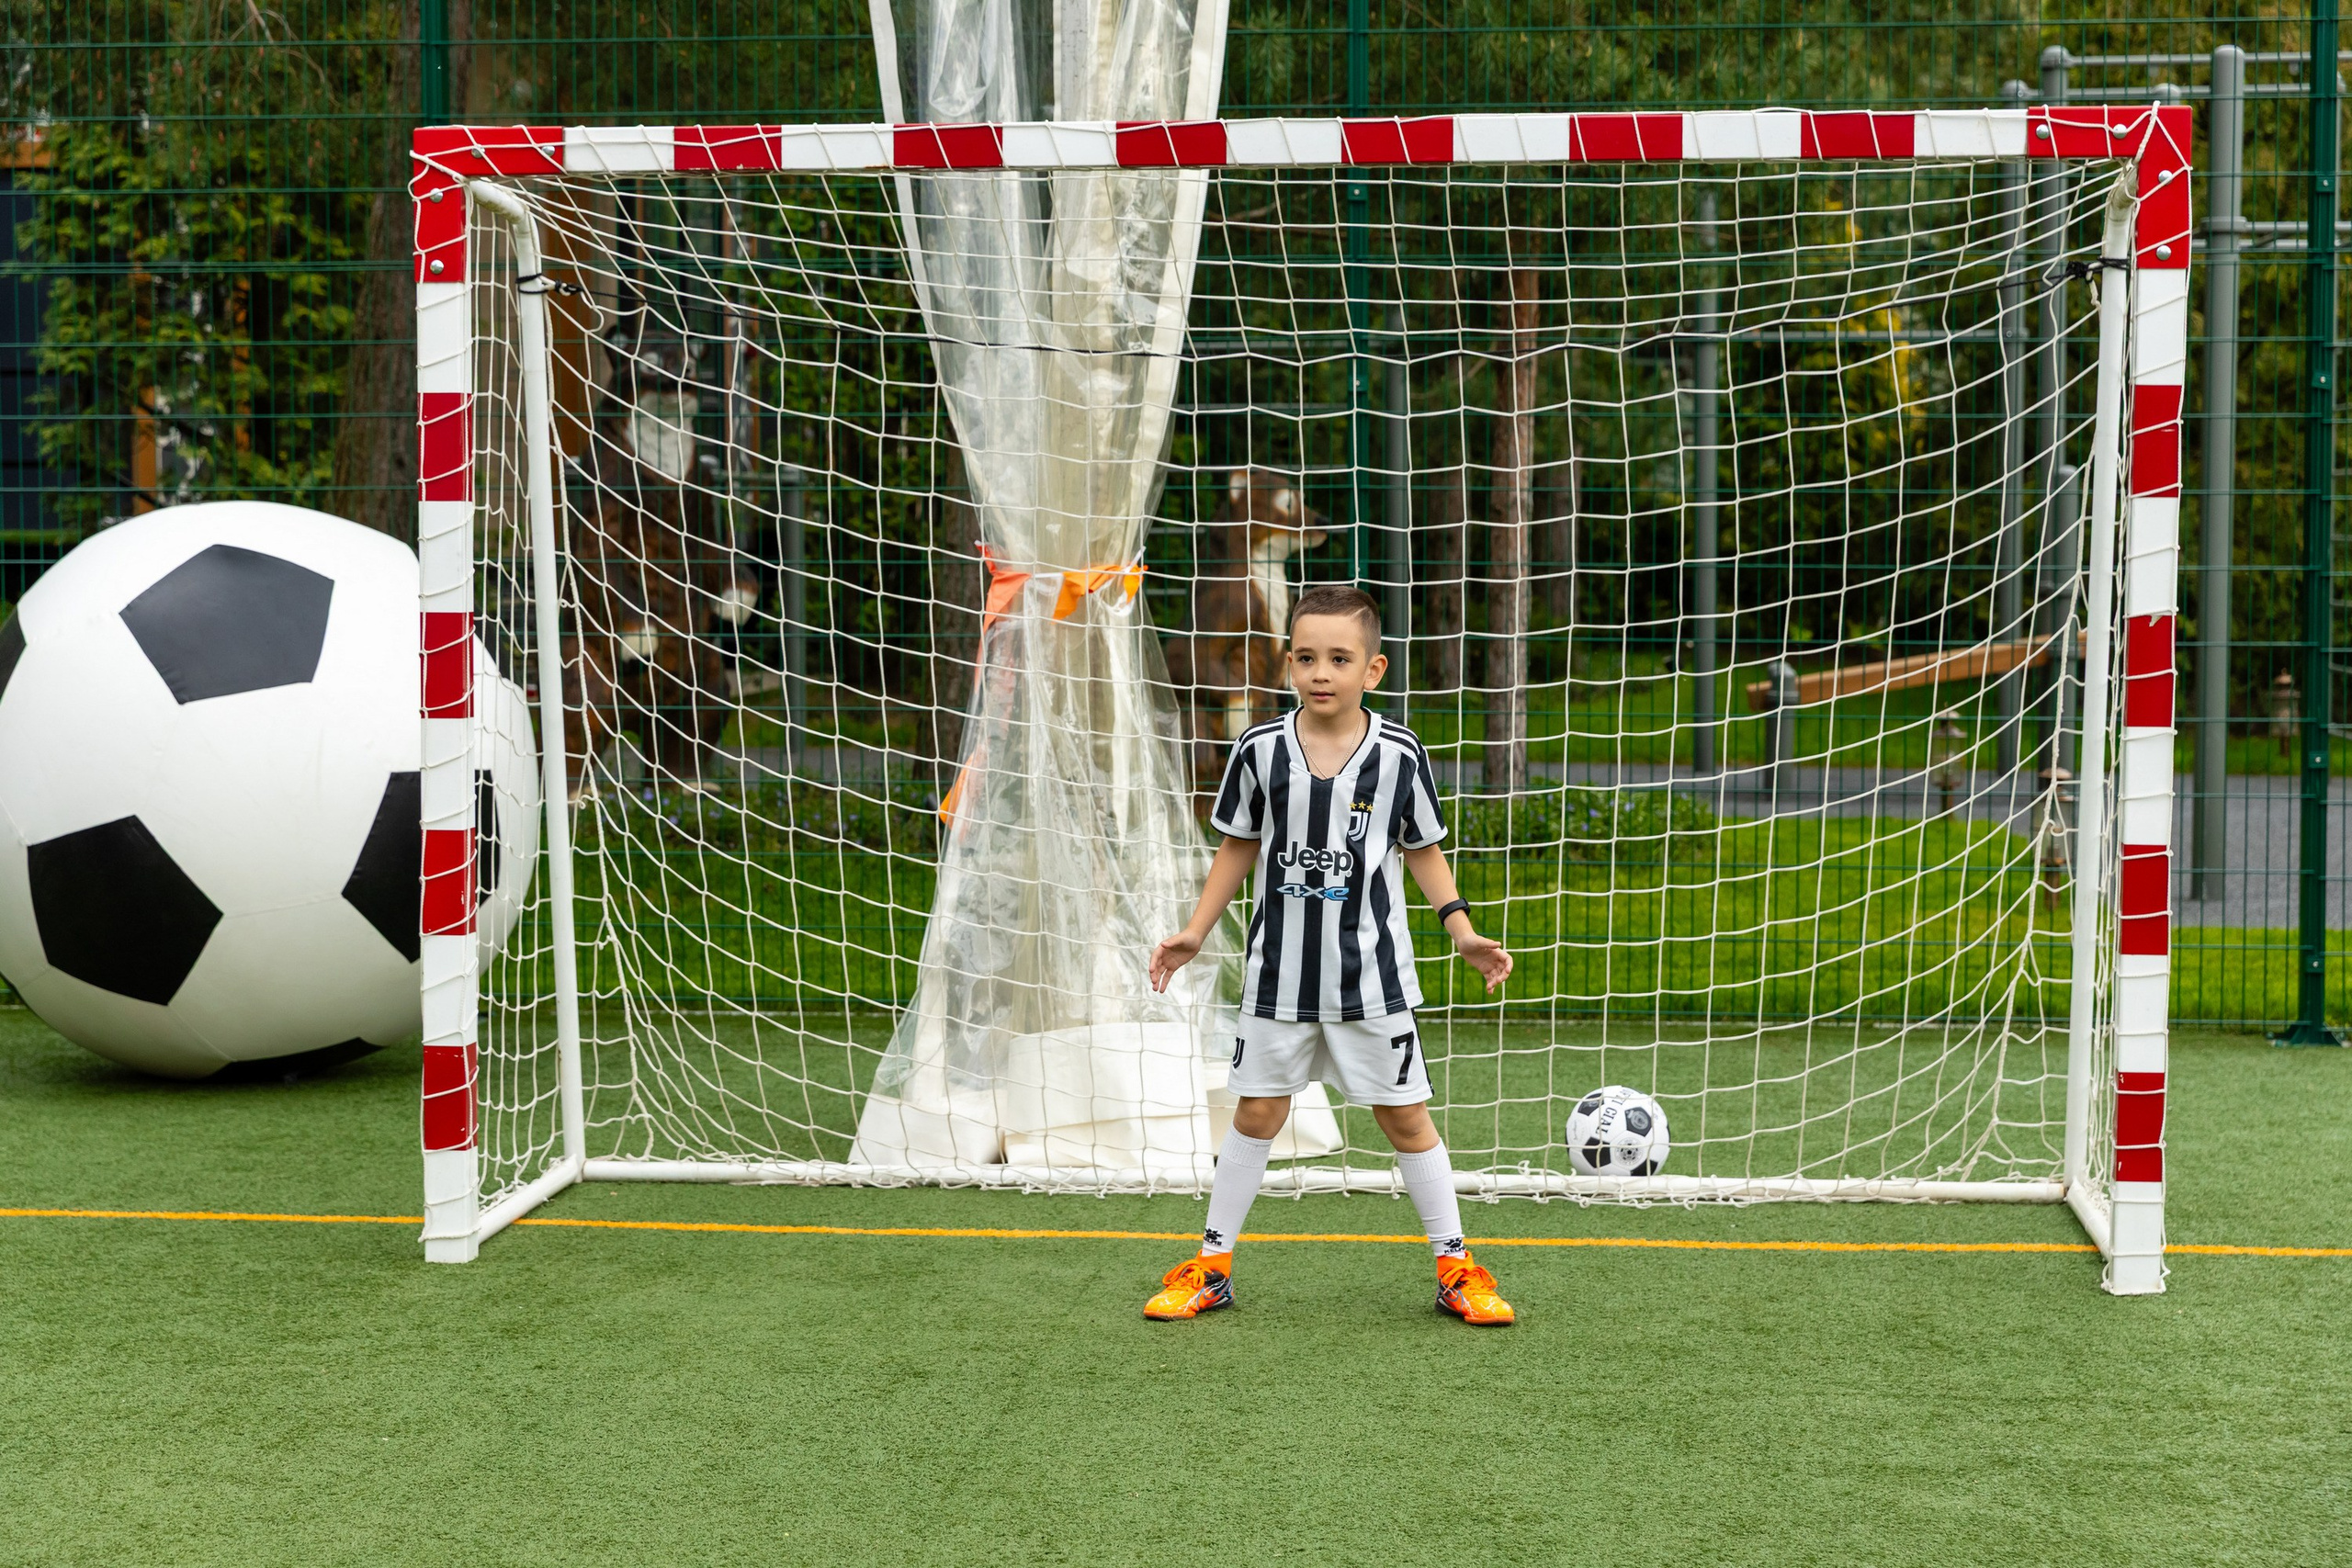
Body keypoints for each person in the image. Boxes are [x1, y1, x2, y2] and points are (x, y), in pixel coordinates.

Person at [1145, 583, 1517, 1325]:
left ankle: (1455, 1268)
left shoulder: (1399, 755)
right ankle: (1211, 1267)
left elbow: (1424, 853)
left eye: (1339, 658)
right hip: (1278, 978)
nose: (1321, 672)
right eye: (1306, 656)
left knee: (1406, 1119)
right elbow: (1239, 845)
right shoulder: (1259, 749)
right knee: (1256, 1112)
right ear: (1288, 662)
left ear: (1372, 670)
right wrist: (1194, 928)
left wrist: (1462, 930)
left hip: (1372, 983)